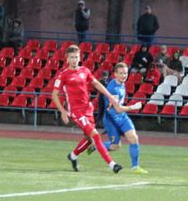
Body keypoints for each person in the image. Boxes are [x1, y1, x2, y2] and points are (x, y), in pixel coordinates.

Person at [52, 45, 123, 174]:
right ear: (67, 59)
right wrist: (63, 111)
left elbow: (96, 84)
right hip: (76, 111)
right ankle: (112, 164)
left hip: (88, 109)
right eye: (72, 57)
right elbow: (54, 94)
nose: (74, 60)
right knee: (95, 135)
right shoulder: (63, 75)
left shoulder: (85, 70)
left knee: (89, 138)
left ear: (80, 58)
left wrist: (110, 96)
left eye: (76, 57)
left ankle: (73, 156)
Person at [95, 62, 147, 174]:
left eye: (125, 73)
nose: (124, 75)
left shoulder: (121, 84)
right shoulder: (113, 88)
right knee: (115, 146)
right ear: (115, 74)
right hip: (111, 120)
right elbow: (117, 109)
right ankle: (97, 146)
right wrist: (133, 106)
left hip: (122, 117)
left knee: (134, 138)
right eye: (121, 73)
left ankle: (135, 167)